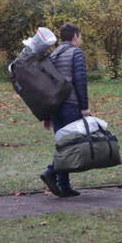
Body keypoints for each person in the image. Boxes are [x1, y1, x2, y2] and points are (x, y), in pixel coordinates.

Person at [40, 22, 90, 198]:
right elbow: (80, 81)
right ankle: (51, 171)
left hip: (55, 106)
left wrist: (47, 114)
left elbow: (47, 85)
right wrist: (84, 107)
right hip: (70, 105)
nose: (80, 39)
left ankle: (64, 186)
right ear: (75, 36)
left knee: (63, 144)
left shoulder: (53, 55)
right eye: (80, 36)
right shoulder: (76, 53)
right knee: (72, 145)